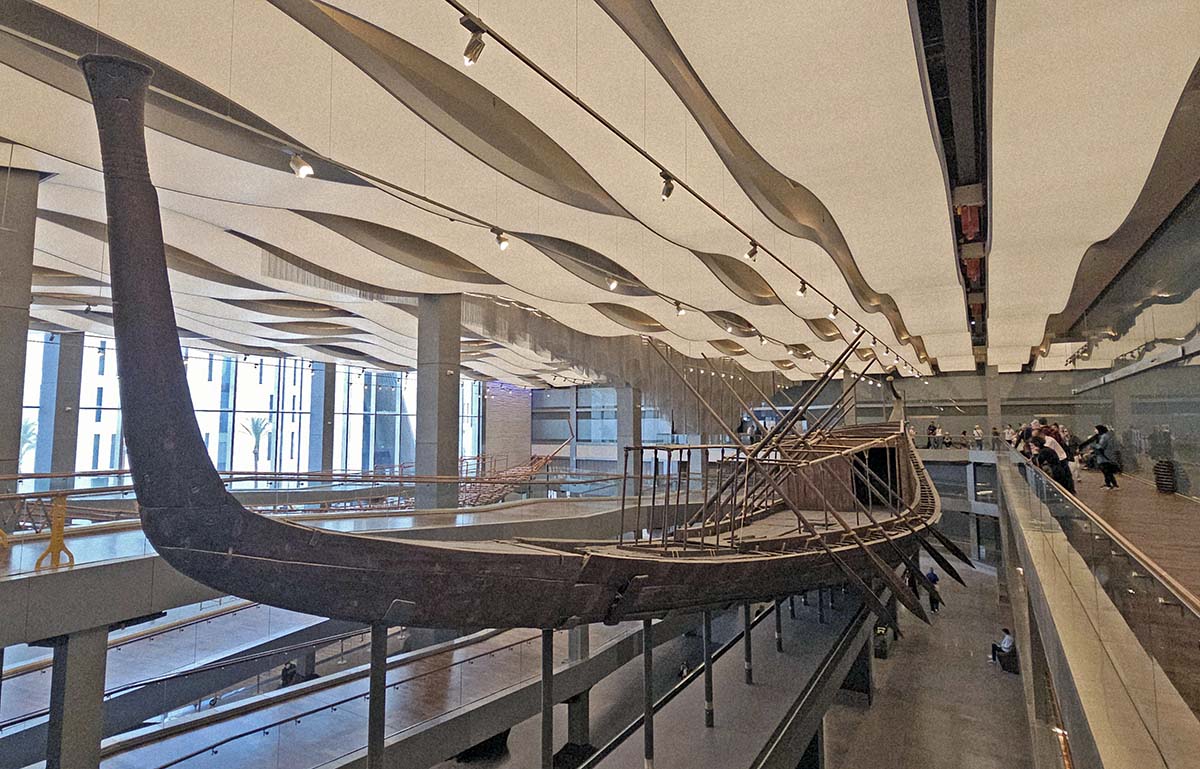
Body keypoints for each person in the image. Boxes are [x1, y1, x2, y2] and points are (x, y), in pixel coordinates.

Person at [1082, 425, 1120, 489]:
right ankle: (1111, 484)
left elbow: (1100, 447)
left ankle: (1111, 485)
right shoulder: (1103, 436)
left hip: (1104, 458)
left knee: (1107, 472)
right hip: (1103, 457)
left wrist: (1092, 443)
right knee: (1107, 472)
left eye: (1096, 429)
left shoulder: (1104, 437)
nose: (1095, 431)